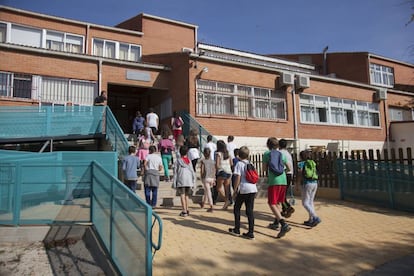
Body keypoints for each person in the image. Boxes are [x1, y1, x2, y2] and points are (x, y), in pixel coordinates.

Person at [263, 137, 292, 238]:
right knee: (278, 202)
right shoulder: (281, 154)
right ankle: (276, 222)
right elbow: (288, 168)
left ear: (268, 145)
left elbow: (263, 168)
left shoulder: (267, 154)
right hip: (283, 180)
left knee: (271, 203)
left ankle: (283, 223)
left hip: (274, 181)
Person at [228, 146, 257, 240]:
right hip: (252, 188)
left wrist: (235, 190)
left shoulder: (239, 164)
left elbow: (238, 178)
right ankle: (251, 232)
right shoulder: (251, 163)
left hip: (244, 189)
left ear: (238, 155)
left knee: (237, 208)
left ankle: (237, 229)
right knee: (250, 210)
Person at [298, 150, 321, 227]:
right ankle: (311, 220)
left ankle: (315, 217)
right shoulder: (313, 162)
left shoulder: (301, 163)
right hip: (315, 183)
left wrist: (297, 183)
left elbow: (300, 174)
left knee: (305, 203)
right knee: (310, 202)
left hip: (307, 184)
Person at [173, 145, 196, 217]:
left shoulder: (177, 161)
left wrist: (174, 182)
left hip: (181, 179)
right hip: (188, 180)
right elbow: (192, 171)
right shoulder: (189, 161)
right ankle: (187, 208)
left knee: (182, 195)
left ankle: (184, 210)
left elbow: (175, 172)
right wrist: (193, 181)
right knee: (186, 195)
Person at [278, 139, 295, 218]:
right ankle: (284, 209)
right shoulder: (288, 153)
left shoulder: (279, 153)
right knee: (283, 193)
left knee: (280, 194)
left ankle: (288, 207)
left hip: (283, 174)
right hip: (290, 174)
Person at [215, 139, 233, 210]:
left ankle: (226, 200)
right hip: (229, 171)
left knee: (219, 188)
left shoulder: (218, 154)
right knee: (226, 188)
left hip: (222, 171)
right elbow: (231, 163)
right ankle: (226, 203)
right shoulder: (228, 153)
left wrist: (216, 169)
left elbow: (217, 164)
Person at [199, 148, 216, 212]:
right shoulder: (212, 161)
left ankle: (211, 205)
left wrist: (201, 177)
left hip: (206, 177)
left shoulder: (203, 161)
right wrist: (214, 178)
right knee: (206, 191)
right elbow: (214, 170)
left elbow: (202, 170)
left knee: (208, 191)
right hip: (211, 177)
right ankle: (203, 203)